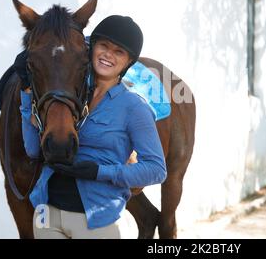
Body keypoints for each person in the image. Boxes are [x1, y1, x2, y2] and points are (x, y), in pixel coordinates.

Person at [16, 15, 167, 239]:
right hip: (47, 216)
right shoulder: (69, 95)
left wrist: (100, 172)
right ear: (91, 47)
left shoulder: (134, 107)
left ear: (128, 62)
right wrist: (27, 93)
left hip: (95, 224)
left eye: (119, 52)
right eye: (103, 46)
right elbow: (33, 149)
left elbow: (156, 170)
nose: (108, 55)